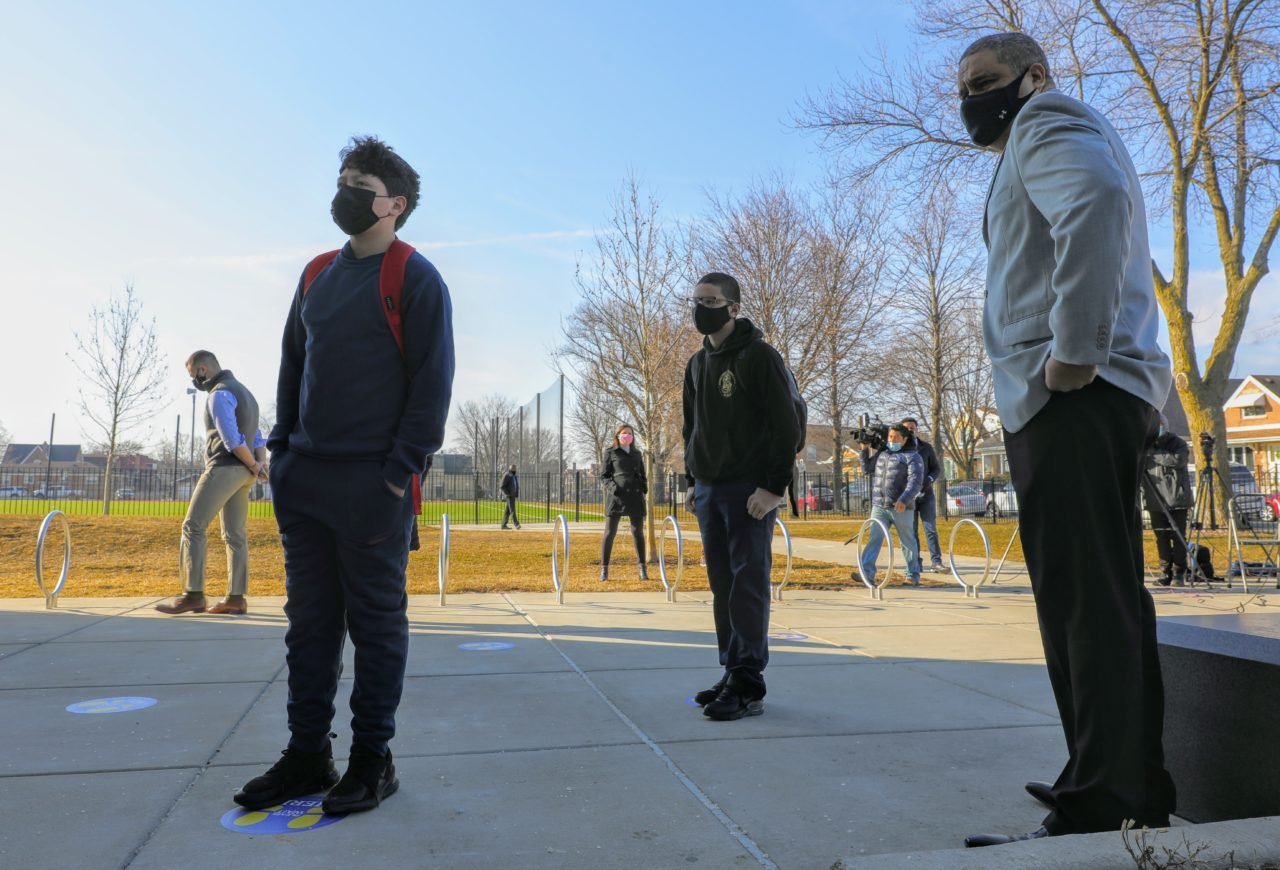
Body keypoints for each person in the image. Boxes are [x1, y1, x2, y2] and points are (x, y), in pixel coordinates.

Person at [957, 34, 1176, 846]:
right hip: (1094, 396)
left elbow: (1096, 202)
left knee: (1084, 607)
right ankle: (1125, 781)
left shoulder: (1046, 121)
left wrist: (1073, 354)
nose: (972, 99)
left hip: (1071, 397)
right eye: (964, 89)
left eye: (984, 82)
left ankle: (1103, 800)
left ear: (1036, 76)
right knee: (1106, 604)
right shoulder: (1050, 131)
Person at [235, 136, 455, 816]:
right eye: (342, 180)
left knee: (377, 626)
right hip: (305, 482)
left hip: (372, 488)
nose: (344, 193)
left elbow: (433, 386)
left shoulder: (414, 279)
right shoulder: (316, 275)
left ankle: (371, 761)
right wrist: (282, 454)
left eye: (359, 184)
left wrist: (397, 472)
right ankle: (307, 756)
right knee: (309, 627)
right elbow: (292, 367)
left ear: (395, 204)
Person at [683, 272, 801, 721]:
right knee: (723, 586)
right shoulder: (696, 364)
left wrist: (774, 488)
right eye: (695, 301)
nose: (700, 309)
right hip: (710, 490)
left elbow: (785, 425)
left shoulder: (759, 357)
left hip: (750, 491)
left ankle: (749, 681)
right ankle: (731, 667)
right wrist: (693, 482)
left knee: (748, 584)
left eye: (710, 300)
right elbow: (690, 428)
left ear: (733, 307)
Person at [156, 351, 266, 616]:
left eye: (193, 374)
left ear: (203, 369)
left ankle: (193, 594)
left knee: (193, 526)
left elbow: (231, 439)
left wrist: (252, 464)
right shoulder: (246, 393)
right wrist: (258, 466)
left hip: (224, 467)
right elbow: (258, 437)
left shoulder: (219, 393)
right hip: (245, 474)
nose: (194, 379)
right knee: (235, 535)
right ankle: (236, 598)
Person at [857, 424, 924, 587]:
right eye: (890, 437)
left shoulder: (912, 457)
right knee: (874, 538)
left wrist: (904, 499)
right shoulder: (883, 453)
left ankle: (912, 574)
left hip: (900, 506)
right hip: (879, 506)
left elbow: (915, 481)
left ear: (904, 439)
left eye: (895, 437)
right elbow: (867, 469)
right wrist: (864, 450)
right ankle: (867, 573)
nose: (892, 440)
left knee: (907, 541)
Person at [1141, 419, 1191, 587]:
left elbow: (1178, 460)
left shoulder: (1178, 443)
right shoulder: (1146, 444)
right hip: (1155, 500)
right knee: (1161, 537)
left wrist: (1153, 453)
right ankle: (1165, 571)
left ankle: (1179, 572)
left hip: (1177, 499)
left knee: (1178, 536)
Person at [599, 424, 648, 581]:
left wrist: (643, 487)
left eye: (630, 433)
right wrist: (613, 488)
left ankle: (642, 569)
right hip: (617, 497)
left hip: (635, 497)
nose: (627, 435)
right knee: (609, 533)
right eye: (624, 433)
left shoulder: (637, 453)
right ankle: (604, 570)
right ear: (618, 435)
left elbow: (642, 473)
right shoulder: (610, 452)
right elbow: (604, 476)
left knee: (637, 533)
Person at [901, 417, 944, 572]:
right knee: (912, 531)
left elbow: (936, 468)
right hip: (908, 498)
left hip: (926, 495)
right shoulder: (899, 450)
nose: (910, 430)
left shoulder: (926, 447)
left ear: (916, 429)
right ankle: (916, 563)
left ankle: (936, 562)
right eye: (906, 428)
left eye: (912, 428)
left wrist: (929, 479)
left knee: (930, 528)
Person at [499, 464, 521, 529]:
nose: (514, 470)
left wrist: (516, 494)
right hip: (509, 496)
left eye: (515, 469)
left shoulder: (514, 476)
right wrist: (507, 493)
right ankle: (516, 524)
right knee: (512, 510)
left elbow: (515, 485)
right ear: (510, 469)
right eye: (513, 469)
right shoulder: (507, 475)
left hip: (513, 495)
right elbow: (502, 486)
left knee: (507, 511)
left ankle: (503, 525)